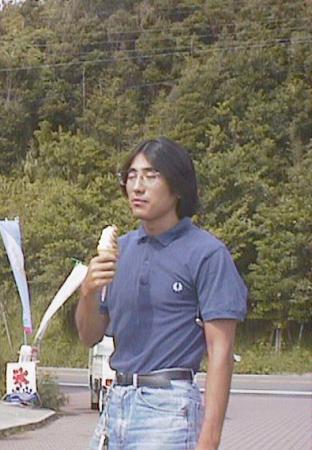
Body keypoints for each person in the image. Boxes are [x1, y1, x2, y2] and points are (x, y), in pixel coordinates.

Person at [76, 137, 247, 450]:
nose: (137, 187)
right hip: (116, 402)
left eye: (150, 176)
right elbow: (89, 336)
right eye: (131, 176)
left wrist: (209, 440)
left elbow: (221, 351)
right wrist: (87, 292)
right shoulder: (120, 251)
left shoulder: (206, 253)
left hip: (169, 407)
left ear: (177, 186)